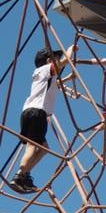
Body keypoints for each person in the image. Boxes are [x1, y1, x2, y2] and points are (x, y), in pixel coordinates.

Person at [9, 46, 74, 194]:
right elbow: (64, 62)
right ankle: (19, 176)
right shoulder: (46, 69)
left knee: (44, 148)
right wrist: (70, 50)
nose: (57, 60)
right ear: (48, 60)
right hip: (38, 113)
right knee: (33, 147)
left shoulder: (41, 74)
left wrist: (69, 78)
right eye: (55, 58)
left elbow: (54, 85)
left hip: (28, 112)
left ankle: (24, 175)